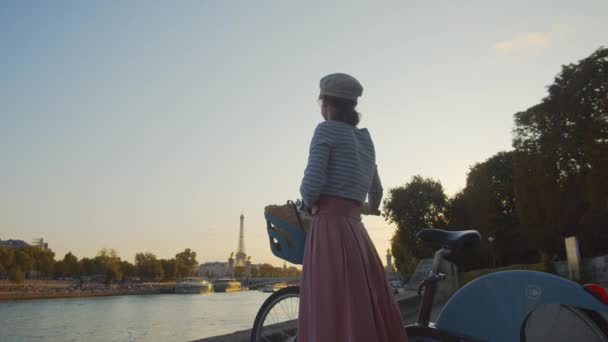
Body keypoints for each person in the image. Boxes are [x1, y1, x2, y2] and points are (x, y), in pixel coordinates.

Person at [297, 73, 407, 342]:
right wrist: (366, 207)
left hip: (328, 229)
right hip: (356, 233)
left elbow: (311, 187)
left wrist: (306, 204)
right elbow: (377, 191)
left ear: (327, 103)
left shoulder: (325, 130)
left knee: (329, 302)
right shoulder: (365, 139)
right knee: (361, 303)